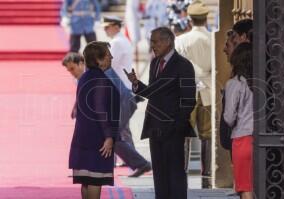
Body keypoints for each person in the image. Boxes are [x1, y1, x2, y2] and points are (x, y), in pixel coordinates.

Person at [125, 27, 196, 199]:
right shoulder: (155, 62)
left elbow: (188, 100)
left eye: (155, 41)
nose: (152, 45)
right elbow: (153, 93)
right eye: (151, 41)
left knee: (175, 173)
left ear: (168, 42)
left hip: (173, 129)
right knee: (160, 174)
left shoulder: (184, 65)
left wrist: (177, 125)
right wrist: (136, 85)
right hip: (154, 127)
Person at [62, 52, 151, 178]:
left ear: (81, 63)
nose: (71, 72)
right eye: (69, 70)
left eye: (72, 69)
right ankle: (140, 164)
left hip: (122, 104)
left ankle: (141, 164)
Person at [68, 42, 120, 199]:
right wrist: (109, 136)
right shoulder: (100, 79)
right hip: (97, 138)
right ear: (98, 59)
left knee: (86, 180)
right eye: (107, 55)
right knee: (95, 180)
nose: (111, 57)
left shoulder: (84, 77)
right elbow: (100, 109)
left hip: (83, 136)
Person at [175, 0, 212, 187]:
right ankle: (208, 169)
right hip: (207, 88)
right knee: (207, 133)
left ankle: (183, 166)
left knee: (184, 131)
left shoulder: (180, 40)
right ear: (206, 19)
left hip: (187, 90)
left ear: (189, 19)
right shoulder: (212, 38)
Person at [224, 42, 253, 199]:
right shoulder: (265, 83)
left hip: (242, 139)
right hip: (264, 140)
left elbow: (229, 118)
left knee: (245, 187)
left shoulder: (234, 84)